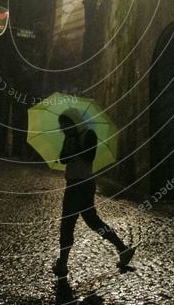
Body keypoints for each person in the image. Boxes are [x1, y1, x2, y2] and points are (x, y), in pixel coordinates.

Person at [52, 112, 135, 277]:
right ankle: (122, 248)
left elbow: (90, 156)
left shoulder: (88, 135)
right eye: (62, 126)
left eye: (65, 125)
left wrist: (75, 148)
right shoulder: (68, 138)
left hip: (81, 184)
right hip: (73, 183)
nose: (63, 129)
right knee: (93, 221)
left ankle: (62, 263)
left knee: (67, 223)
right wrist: (68, 152)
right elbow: (62, 159)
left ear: (74, 123)